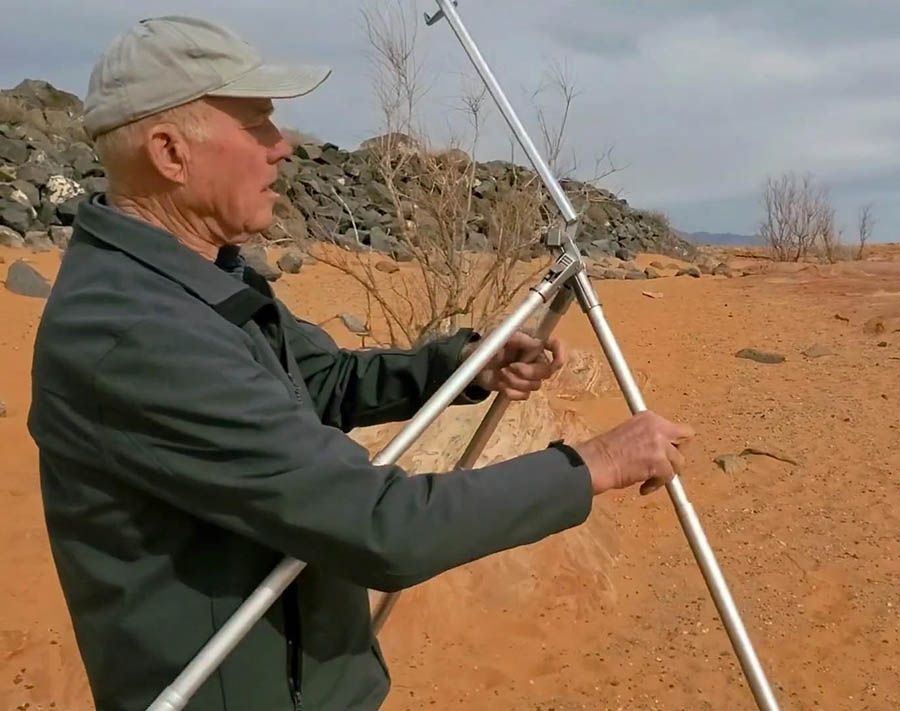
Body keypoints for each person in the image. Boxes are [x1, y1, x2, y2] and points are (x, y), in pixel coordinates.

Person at [27, 15, 695, 711]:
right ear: (170, 153)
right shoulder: (137, 333)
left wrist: (459, 367)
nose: (281, 147)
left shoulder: (194, 279)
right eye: (256, 125)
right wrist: (596, 464)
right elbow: (384, 525)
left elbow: (317, 381)